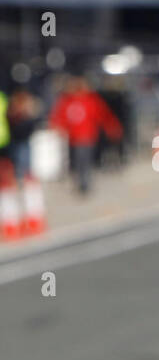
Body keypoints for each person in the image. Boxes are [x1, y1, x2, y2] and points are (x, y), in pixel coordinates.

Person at [48, 75, 122, 195]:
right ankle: (80, 182)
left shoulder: (91, 100)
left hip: (88, 137)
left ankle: (85, 183)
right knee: (77, 161)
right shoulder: (67, 101)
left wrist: (111, 127)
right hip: (74, 138)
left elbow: (102, 115)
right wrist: (57, 127)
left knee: (85, 160)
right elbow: (60, 117)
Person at [0, 86, 47, 238]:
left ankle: (25, 221)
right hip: (10, 144)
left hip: (11, 144)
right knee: (9, 186)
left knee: (20, 182)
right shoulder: (4, 99)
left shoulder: (4, 99)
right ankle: (14, 223)